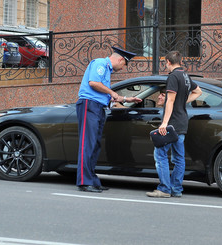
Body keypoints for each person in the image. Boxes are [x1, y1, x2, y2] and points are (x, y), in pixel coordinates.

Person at [76, 46, 142, 193]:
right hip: (89, 104)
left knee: (94, 144)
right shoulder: (100, 63)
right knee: (88, 143)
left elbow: (108, 96)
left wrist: (126, 98)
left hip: (98, 107)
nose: (122, 68)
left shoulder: (106, 70)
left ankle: (92, 181)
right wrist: (112, 92)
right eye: (124, 65)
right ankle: (84, 182)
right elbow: (93, 83)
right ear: (120, 59)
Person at [146, 51, 202, 198]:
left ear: (168, 62)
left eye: (165, 63)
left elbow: (169, 101)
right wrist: (183, 102)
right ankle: (176, 189)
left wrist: (164, 123)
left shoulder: (173, 76)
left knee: (160, 155)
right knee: (179, 159)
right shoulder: (185, 76)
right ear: (180, 61)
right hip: (183, 122)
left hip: (172, 124)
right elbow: (198, 92)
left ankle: (164, 189)